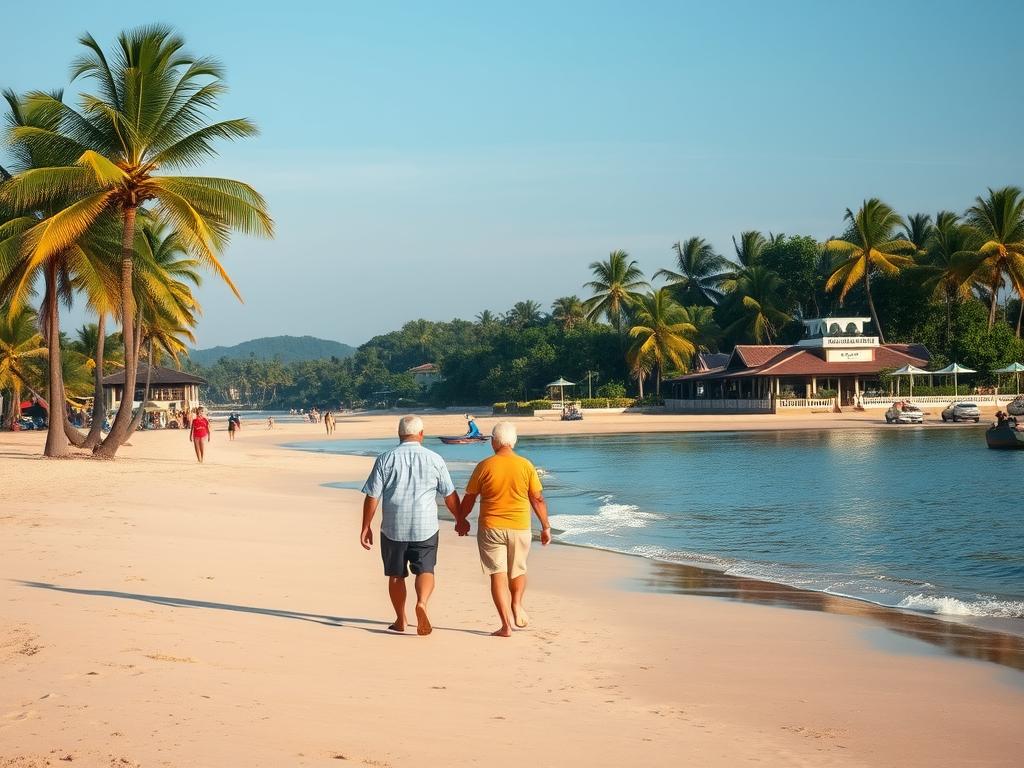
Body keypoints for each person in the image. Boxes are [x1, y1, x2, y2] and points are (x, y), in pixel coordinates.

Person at [361, 415, 461, 636]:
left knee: (395, 574)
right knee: (425, 569)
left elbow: (372, 496)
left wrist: (366, 526)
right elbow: (449, 494)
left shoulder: (385, 459)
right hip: (425, 526)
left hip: (393, 527)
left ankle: (400, 619)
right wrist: (460, 519)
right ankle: (422, 603)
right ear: (421, 434)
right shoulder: (435, 459)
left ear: (399, 434)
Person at [459, 421, 552, 637]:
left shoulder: (484, 466)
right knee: (518, 569)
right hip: (520, 527)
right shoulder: (526, 465)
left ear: (493, 441)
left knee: (497, 574)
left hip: (491, 527)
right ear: (514, 441)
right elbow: (537, 498)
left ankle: (505, 625)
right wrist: (545, 526)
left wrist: (461, 519)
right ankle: (517, 604)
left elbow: (470, 497)